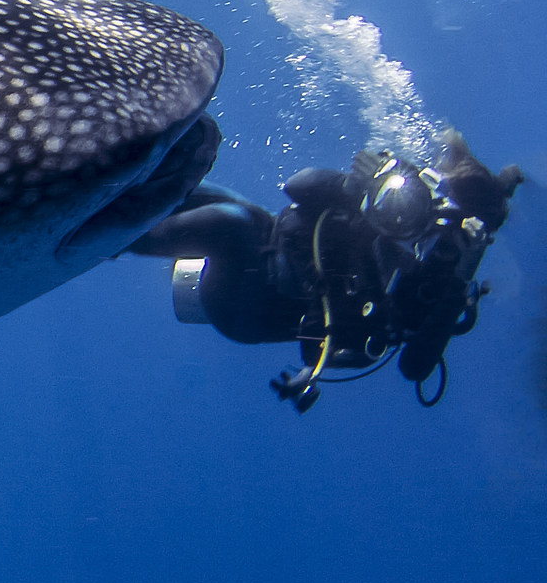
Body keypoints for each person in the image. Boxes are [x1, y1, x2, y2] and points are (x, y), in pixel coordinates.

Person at [128, 131, 521, 411]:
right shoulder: (386, 198)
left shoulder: (429, 285)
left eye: (440, 214)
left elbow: (413, 365)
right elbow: (297, 186)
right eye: (432, 187)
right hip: (269, 240)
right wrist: (354, 185)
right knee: (197, 190)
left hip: (253, 308)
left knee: (230, 223)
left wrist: (454, 285)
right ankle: (119, 186)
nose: (424, 209)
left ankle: (98, 237)